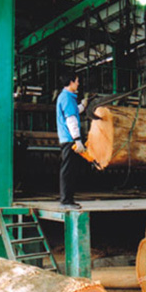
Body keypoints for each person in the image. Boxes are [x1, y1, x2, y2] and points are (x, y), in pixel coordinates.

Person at [56, 72, 88, 209]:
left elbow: (73, 112)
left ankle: (68, 200)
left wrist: (83, 106)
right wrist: (77, 140)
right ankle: (66, 201)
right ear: (71, 82)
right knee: (68, 170)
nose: (78, 84)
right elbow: (71, 119)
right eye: (77, 81)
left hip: (68, 138)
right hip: (70, 139)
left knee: (70, 169)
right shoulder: (67, 98)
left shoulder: (66, 97)